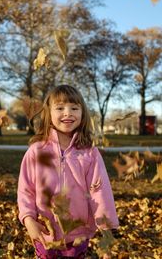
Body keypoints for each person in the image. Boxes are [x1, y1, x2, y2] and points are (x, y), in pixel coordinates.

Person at [17, 85, 119, 259]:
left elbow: (100, 192)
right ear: (49, 113)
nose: (67, 113)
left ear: (82, 113)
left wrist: (106, 231)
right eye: (60, 108)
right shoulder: (36, 151)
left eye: (74, 108)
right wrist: (28, 220)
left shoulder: (90, 154)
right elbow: (26, 190)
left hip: (77, 234)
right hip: (44, 233)